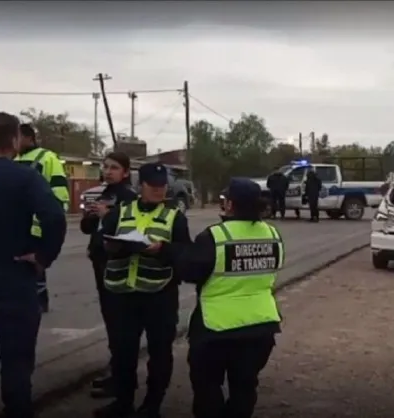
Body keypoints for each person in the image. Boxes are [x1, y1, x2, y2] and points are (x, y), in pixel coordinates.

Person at [0, 112, 66, 418]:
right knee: (17, 364)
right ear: (14, 140)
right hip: (14, 280)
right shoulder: (25, 177)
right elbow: (54, 217)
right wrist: (41, 257)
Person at [173, 177, 284, 418]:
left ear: (231, 205)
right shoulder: (272, 233)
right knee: (244, 388)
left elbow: (189, 271)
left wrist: (171, 252)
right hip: (260, 327)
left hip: (216, 329)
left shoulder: (215, 236)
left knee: (207, 388)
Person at [94, 162, 192, 418]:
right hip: (122, 295)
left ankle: (152, 405)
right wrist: (109, 247)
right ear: (141, 186)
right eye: (153, 186)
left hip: (159, 296)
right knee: (123, 351)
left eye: (162, 186)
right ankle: (123, 402)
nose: (158, 191)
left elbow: (186, 254)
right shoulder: (119, 213)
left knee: (160, 352)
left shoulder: (175, 218)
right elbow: (97, 244)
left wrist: (164, 250)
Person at [80, 152, 138, 399]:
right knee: (111, 321)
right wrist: (92, 216)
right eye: (105, 167)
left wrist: (108, 215)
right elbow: (87, 228)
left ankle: (124, 380)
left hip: (119, 265)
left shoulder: (129, 198)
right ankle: (116, 373)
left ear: (125, 172)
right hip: (100, 261)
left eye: (114, 168)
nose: (108, 171)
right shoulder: (102, 194)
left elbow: (129, 230)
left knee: (121, 325)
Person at [15, 123, 70, 313]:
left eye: (19, 137)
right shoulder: (13, 159)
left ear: (29, 138)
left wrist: (54, 217)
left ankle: (39, 302)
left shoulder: (47, 158)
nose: (16, 141)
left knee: (35, 268)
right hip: (17, 226)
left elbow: (59, 190)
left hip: (37, 226)